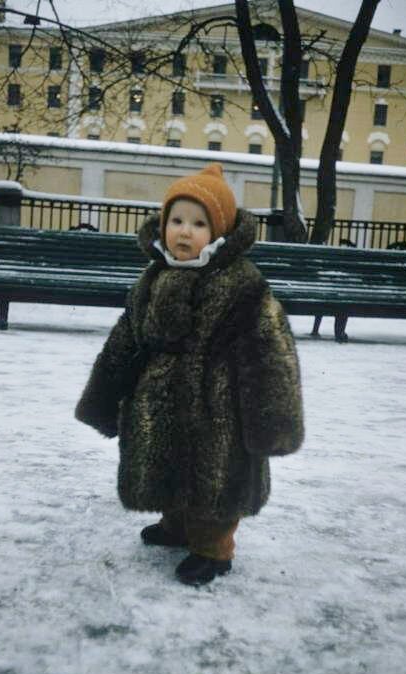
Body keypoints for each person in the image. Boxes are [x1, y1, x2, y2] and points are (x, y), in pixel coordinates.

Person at [75, 163, 304, 586]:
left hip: (219, 410)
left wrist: (273, 422)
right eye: (176, 220)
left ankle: (214, 549)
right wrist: (103, 397)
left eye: (198, 223)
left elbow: (270, 352)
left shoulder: (242, 286)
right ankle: (176, 525)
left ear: (218, 232)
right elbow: (126, 339)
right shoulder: (152, 277)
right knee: (165, 463)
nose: (184, 232)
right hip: (159, 404)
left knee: (214, 481)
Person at [310, 237, 356, 343]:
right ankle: (339, 332)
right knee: (343, 302)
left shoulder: (327, 259)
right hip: (338, 295)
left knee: (334, 300)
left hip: (324, 293)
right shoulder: (349, 264)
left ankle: (317, 329)